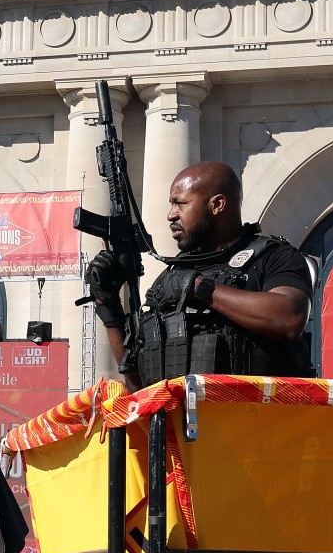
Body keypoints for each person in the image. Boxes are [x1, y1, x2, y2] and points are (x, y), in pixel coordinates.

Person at [86, 161, 314, 390]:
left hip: (260, 419)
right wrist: (109, 306)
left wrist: (198, 288)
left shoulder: (273, 257)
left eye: (180, 204)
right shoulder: (170, 278)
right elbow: (141, 384)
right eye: (171, 204)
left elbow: (290, 318)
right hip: (187, 423)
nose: (170, 215)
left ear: (217, 205)